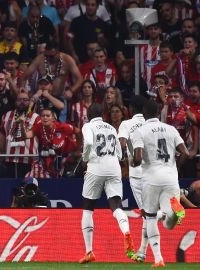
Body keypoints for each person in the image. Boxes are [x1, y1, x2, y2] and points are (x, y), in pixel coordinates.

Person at [131, 100, 189, 268]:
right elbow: (185, 152)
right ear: (158, 112)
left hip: (151, 178)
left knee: (149, 217)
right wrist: (174, 168)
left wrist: (134, 163)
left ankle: (158, 259)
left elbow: (138, 157)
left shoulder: (140, 131)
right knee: (168, 221)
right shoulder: (170, 129)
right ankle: (172, 213)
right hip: (171, 177)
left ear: (143, 112)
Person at [78, 103, 135, 264]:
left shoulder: (88, 126)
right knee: (116, 205)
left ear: (89, 115)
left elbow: (88, 143)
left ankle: (89, 251)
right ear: (102, 115)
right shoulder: (111, 128)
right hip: (114, 168)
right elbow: (119, 153)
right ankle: (126, 231)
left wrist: (85, 159)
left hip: (96, 167)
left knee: (88, 208)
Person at [118, 95, 148, 262]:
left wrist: (122, 156)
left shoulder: (126, 124)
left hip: (137, 174)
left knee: (147, 214)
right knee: (148, 213)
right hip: (154, 172)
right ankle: (142, 252)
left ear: (131, 109)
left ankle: (143, 252)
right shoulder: (153, 124)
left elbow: (122, 143)